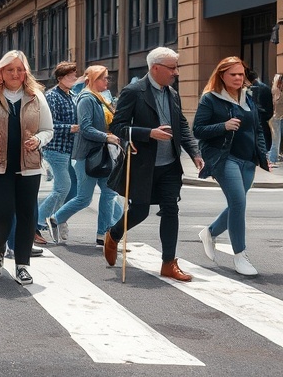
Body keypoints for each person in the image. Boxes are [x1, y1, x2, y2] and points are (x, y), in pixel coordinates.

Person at [103, 47, 203, 282]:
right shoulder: (133, 92)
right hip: (143, 165)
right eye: (172, 67)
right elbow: (118, 127)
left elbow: (181, 126)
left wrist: (195, 153)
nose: (176, 72)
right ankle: (114, 234)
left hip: (170, 165)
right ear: (155, 68)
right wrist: (149, 133)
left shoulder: (173, 94)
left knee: (171, 209)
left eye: (176, 67)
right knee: (140, 211)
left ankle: (169, 263)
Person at [0, 50, 53, 286]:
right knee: (3, 212)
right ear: (1, 73)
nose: (15, 73)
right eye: (10, 69)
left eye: (19, 69)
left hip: (29, 166)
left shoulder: (37, 96)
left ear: (25, 72)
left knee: (27, 216)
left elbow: (48, 129)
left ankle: (22, 265)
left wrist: (38, 140)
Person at [193, 56, 267, 276]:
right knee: (238, 202)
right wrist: (223, 126)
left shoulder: (248, 97)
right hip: (224, 159)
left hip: (248, 160)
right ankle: (240, 255)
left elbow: (258, 130)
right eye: (233, 74)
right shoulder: (211, 99)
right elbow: (198, 130)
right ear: (222, 75)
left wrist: (262, 156)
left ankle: (210, 232)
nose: (238, 78)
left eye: (241, 74)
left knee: (238, 204)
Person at [47, 65, 122, 245]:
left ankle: (103, 234)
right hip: (88, 155)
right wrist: (107, 137)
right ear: (93, 80)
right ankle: (55, 219)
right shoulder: (87, 99)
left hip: (102, 154)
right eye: (103, 78)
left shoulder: (102, 98)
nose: (107, 81)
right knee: (84, 198)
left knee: (109, 193)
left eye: (107, 78)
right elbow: (86, 128)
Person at [36, 63, 79, 241]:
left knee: (72, 190)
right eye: (71, 76)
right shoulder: (52, 96)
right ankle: (38, 220)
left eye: (75, 76)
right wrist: (71, 128)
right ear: (60, 79)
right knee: (63, 187)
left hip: (70, 150)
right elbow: (48, 124)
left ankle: (58, 217)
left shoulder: (73, 95)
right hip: (55, 148)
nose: (74, 79)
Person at [269, 74, 283, 165]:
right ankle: (272, 159)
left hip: (277, 117)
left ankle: (273, 157)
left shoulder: (276, 91)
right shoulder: (278, 92)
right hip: (276, 118)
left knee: (276, 139)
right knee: (276, 139)